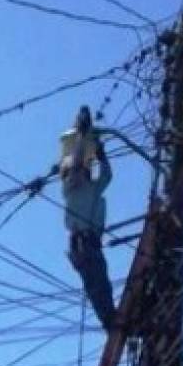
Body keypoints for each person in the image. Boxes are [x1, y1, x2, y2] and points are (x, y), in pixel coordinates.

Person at [61, 107, 116, 330]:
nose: (84, 171)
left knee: (103, 283)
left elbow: (108, 175)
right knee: (97, 285)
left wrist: (102, 155)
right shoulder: (70, 187)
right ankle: (109, 321)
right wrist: (83, 137)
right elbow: (74, 166)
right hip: (82, 244)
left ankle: (111, 319)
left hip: (91, 244)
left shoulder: (92, 188)